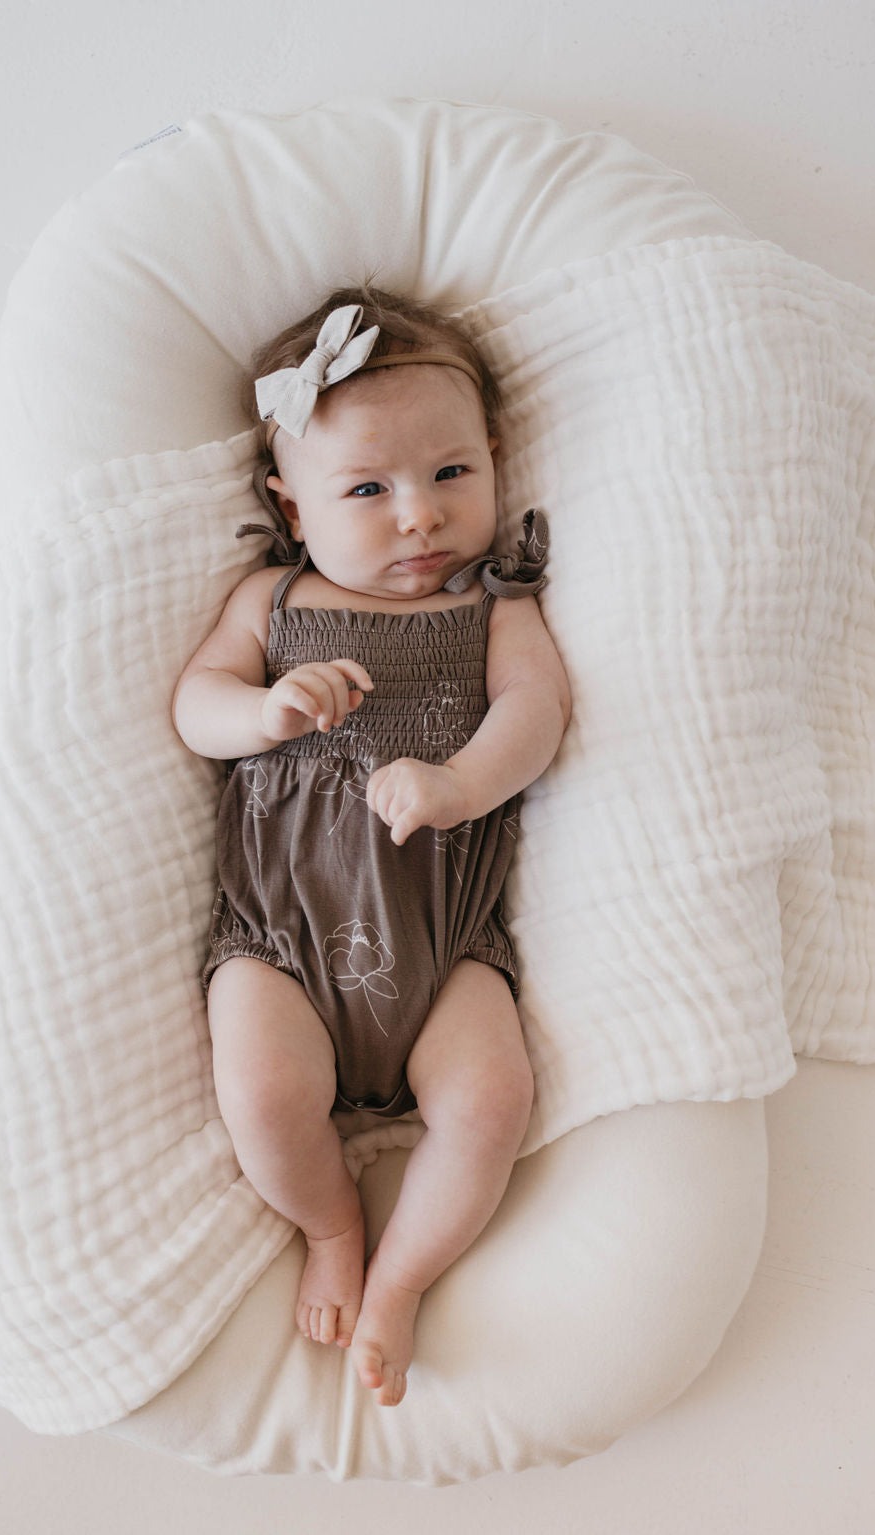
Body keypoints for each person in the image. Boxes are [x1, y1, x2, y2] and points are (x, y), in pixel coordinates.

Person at [173, 287, 571, 1406]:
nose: (418, 518)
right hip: (281, 940)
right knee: (261, 1091)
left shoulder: (495, 609)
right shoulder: (273, 600)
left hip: (443, 939)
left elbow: (533, 716)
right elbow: (196, 703)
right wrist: (262, 714)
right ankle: (332, 1222)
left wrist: (458, 783)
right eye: (367, 489)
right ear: (290, 506)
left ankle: (399, 1279)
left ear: (494, 458)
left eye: (450, 474)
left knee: (491, 1099)